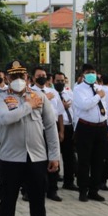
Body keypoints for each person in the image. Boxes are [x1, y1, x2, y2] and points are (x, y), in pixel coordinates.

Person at [0, 60, 60, 216]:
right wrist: (28, 106)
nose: (18, 80)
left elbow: (50, 126)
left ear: (27, 78)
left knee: (38, 202)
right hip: (11, 158)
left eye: (22, 76)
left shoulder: (39, 96)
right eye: (14, 77)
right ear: (7, 78)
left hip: (37, 157)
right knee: (7, 203)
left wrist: (54, 155)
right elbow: (5, 119)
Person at [72, 63, 108, 202]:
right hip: (85, 127)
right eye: (88, 72)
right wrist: (98, 96)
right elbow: (85, 105)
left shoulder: (99, 88)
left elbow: (106, 109)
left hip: (101, 127)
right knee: (84, 161)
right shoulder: (78, 89)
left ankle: (94, 190)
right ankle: (83, 190)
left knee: (98, 160)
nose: (91, 74)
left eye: (93, 72)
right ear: (83, 74)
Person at [30, 66, 64, 202]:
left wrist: (61, 130)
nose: (41, 77)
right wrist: (44, 98)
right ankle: (30, 190)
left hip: (52, 128)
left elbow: (60, 113)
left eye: (44, 75)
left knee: (54, 158)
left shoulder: (53, 92)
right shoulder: (30, 92)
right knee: (35, 162)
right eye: (38, 75)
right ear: (33, 78)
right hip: (36, 130)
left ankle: (52, 190)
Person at [53, 72, 77, 190]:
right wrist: (62, 106)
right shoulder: (51, 94)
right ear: (53, 81)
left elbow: (75, 110)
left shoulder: (69, 93)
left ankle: (69, 182)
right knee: (55, 154)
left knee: (69, 156)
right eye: (58, 81)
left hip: (69, 126)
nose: (60, 83)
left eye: (62, 80)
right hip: (56, 126)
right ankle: (54, 179)